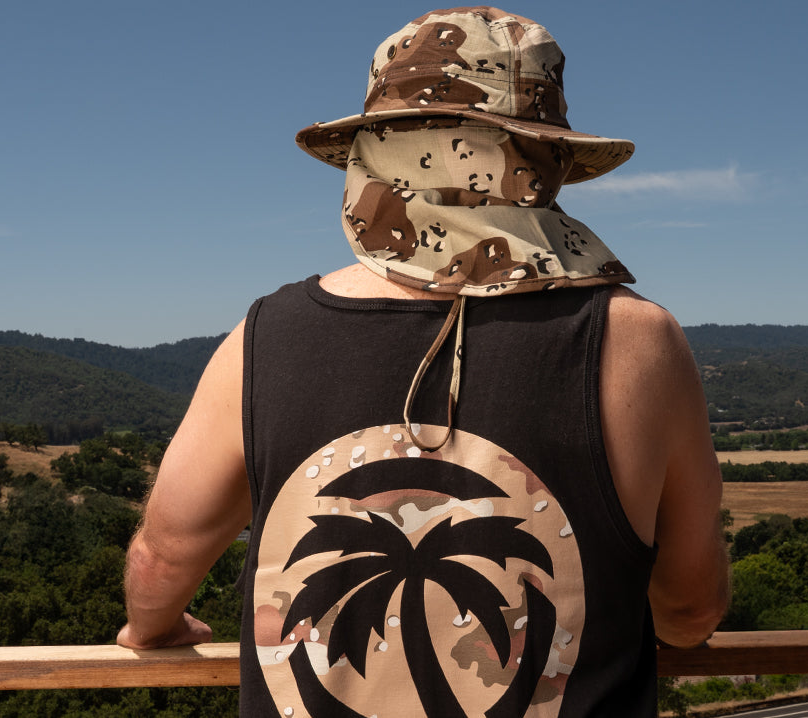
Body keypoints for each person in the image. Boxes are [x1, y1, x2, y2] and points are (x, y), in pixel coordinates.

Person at [118, 7, 729, 716]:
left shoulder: (263, 337)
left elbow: (163, 557)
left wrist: (152, 627)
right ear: (544, 162)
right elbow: (690, 610)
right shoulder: (639, 341)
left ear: (371, 155)